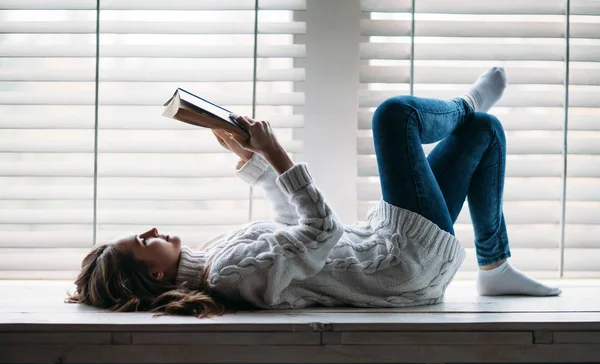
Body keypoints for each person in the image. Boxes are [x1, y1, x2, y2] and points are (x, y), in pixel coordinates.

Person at [67, 67, 561, 317]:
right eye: (143, 239)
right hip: (401, 265)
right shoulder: (232, 277)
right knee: (394, 116)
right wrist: (277, 152)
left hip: (389, 250)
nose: (153, 230)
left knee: (484, 133)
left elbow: (289, 230)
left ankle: (494, 267)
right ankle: (465, 101)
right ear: (153, 271)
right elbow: (321, 230)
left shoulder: (215, 259)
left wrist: (248, 158)